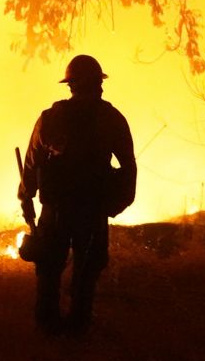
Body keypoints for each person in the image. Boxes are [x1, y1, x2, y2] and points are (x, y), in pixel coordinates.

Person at [19, 54, 136, 335]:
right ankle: (79, 327)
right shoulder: (111, 118)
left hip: (56, 210)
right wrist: (116, 204)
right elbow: (129, 166)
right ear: (96, 83)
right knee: (87, 270)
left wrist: (27, 196)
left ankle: (47, 328)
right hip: (92, 209)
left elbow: (32, 162)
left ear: (71, 85)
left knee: (48, 268)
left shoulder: (50, 118)